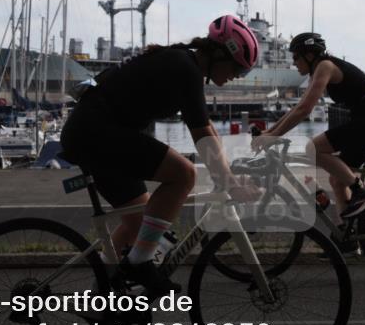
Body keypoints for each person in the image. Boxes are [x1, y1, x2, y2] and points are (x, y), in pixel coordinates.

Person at [59, 15, 261, 297]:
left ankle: (100, 298)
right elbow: (201, 135)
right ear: (218, 53)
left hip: (94, 132)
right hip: (96, 133)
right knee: (184, 174)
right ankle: (140, 263)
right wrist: (228, 182)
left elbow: (208, 129)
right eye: (237, 70)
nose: (235, 77)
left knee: (139, 223)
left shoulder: (185, 65)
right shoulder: (184, 68)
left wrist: (228, 174)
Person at [251, 32, 365, 254]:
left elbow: (304, 110)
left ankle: (361, 191)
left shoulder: (325, 67)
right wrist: (269, 132)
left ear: (310, 55)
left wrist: (272, 137)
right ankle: (345, 237)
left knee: (313, 149)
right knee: (337, 180)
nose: (293, 62)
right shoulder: (318, 71)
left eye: (296, 57)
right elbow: (297, 108)